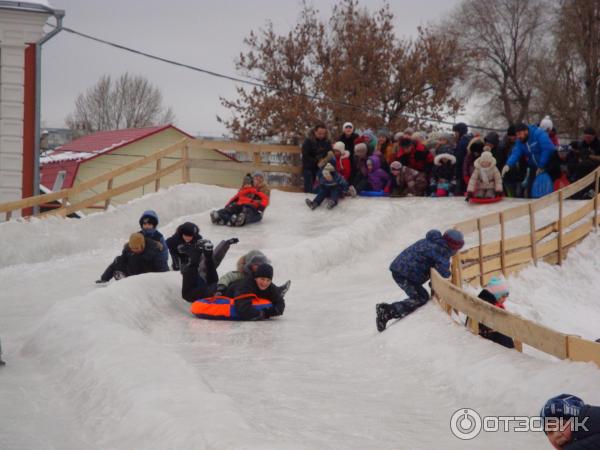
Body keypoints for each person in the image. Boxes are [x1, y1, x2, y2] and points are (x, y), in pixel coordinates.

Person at [375, 229, 464, 332]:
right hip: (404, 274)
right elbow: (444, 274)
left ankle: (388, 310)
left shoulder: (433, 241)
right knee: (421, 297)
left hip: (400, 268)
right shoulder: (441, 252)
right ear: (452, 247)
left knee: (420, 294)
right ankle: (388, 311)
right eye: (457, 249)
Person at [502, 123, 557, 193]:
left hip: (548, 165)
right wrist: (508, 164)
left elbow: (548, 149)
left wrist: (541, 165)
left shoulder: (538, 133)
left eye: (519, 133)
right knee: (531, 189)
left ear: (526, 131)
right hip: (534, 167)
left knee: (547, 188)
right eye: (517, 134)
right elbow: (516, 153)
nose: (518, 136)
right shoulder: (520, 141)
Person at [96, 232, 168, 283]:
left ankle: (131, 281)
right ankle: (122, 278)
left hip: (147, 276)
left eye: (136, 248)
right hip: (132, 272)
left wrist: (163, 280)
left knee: (137, 259)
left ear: (143, 245)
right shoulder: (128, 249)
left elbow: (162, 267)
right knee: (118, 259)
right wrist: (104, 279)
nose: (134, 250)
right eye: (132, 248)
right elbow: (119, 262)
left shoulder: (154, 250)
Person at [473, 275, 514, 349]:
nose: (505, 299)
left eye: (506, 296)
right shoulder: (490, 307)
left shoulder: (486, 300)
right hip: (490, 337)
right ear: (496, 295)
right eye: (503, 296)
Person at [302, 122, 332, 193]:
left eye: (323, 134)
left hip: (322, 167)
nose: (322, 135)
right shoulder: (308, 141)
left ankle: (318, 199)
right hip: (309, 166)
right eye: (319, 133)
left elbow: (329, 153)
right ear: (315, 132)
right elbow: (305, 155)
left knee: (320, 186)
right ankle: (308, 196)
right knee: (309, 185)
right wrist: (316, 161)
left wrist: (324, 160)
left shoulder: (327, 141)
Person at [453, 122, 472, 195]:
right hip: (467, 170)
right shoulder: (468, 139)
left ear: (460, 131)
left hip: (462, 171)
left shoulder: (463, 142)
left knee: (460, 192)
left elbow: (459, 158)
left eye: (456, 132)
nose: (455, 134)